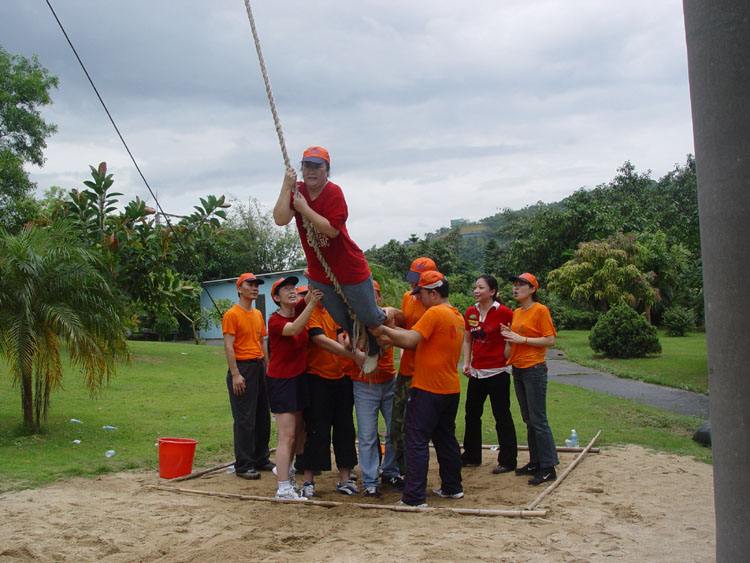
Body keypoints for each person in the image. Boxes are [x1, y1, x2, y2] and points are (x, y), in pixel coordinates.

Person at [272, 146, 386, 373]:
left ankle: (382, 329)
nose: (311, 171)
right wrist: (286, 186)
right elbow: (280, 219)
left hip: (350, 269)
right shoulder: (297, 190)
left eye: (317, 166)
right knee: (341, 318)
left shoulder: (334, 193)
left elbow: (332, 230)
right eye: (307, 165)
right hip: (319, 272)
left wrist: (304, 208)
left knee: (369, 316)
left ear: (327, 170)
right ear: (301, 168)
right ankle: (367, 344)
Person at [372, 270, 465, 507]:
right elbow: (416, 337)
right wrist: (391, 335)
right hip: (449, 388)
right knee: (445, 439)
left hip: (428, 388)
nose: (418, 298)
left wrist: (383, 331)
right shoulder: (455, 314)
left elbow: (410, 341)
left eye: (421, 293)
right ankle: (452, 487)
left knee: (415, 439)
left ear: (432, 293)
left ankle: (414, 497)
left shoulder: (434, 313)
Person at [295, 293, 363, 498]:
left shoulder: (336, 311)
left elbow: (342, 335)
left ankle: (345, 478)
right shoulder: (311, 312)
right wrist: (353, 355)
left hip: (341, 377)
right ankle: (308, 481)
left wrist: (350, 342)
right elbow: (320, 340)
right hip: (317, 378)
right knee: (316, 430)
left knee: (345, 428)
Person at [266, 275, 322, 500]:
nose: (291, 291)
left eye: (292, 288)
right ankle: (283, 487)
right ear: (276, 298)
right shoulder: (276, 321)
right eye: (285, 289)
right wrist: (310, 304)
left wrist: (315, 276)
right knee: (286, 435)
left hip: (298, 379)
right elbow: (295, 328)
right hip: (282, 381)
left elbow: (310, 292)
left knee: (299, 432)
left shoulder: (298, 307)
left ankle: (284, 470)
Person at [500, 272, 559, 486]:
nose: (516, 288)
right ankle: (536, 462)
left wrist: (521, 338)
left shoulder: (540, 310)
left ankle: (548, 466)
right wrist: (508, 335)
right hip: (518, 367)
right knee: (528, 418)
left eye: (521, 285)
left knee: (538, 419)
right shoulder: (516, 312)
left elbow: (550, 339)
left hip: (534, 368)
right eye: (515, 285)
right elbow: (514, 344)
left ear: (533, 289)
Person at [349, 280, 403, 497]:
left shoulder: (387, 318)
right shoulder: (354, 319)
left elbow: (404, 319)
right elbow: (346, 342)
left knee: (393, 431)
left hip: (389, 381)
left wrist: (388, 314)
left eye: (375, 295)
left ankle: (390, 470)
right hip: (364, 385)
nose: (372, 299)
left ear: (379, 298)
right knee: (368, 435)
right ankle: (371, 479)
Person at [461, 275, 518, 474]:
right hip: (476, 372)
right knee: (472, 414)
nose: (476, 291)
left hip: (498, 372)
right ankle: (471, 456)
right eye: (475, 287)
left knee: (501, 415)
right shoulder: (470, 312)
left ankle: (508, 460)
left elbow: (511, 340)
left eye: (481, 288)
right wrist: (466, 363)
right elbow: (468, 339)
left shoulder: (505, 313)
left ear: (492, 292)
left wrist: (508, 352)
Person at [221, 273, 274, 480]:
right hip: (242, 368)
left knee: (262, 415)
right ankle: (243, 464)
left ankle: (261, 457)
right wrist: (235, 374)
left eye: (256, 285)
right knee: (245, 419)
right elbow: (228, 345)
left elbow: (262, 342)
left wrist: (267, 368)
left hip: (259, 366)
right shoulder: (231, 314)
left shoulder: (258, 314)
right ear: (239, 288)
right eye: (249, 284)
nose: (254, 287)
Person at [389, 256, 436, 477]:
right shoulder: (409, 298)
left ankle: (414, 473)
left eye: (417, 281)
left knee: (418, 426)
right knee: (397, 424)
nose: (413, 284)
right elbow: (405, 322)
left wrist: (387, 335)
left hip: (424, 374)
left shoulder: (435, 307)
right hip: (406, 370)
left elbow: (413, 338)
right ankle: (401, 470)